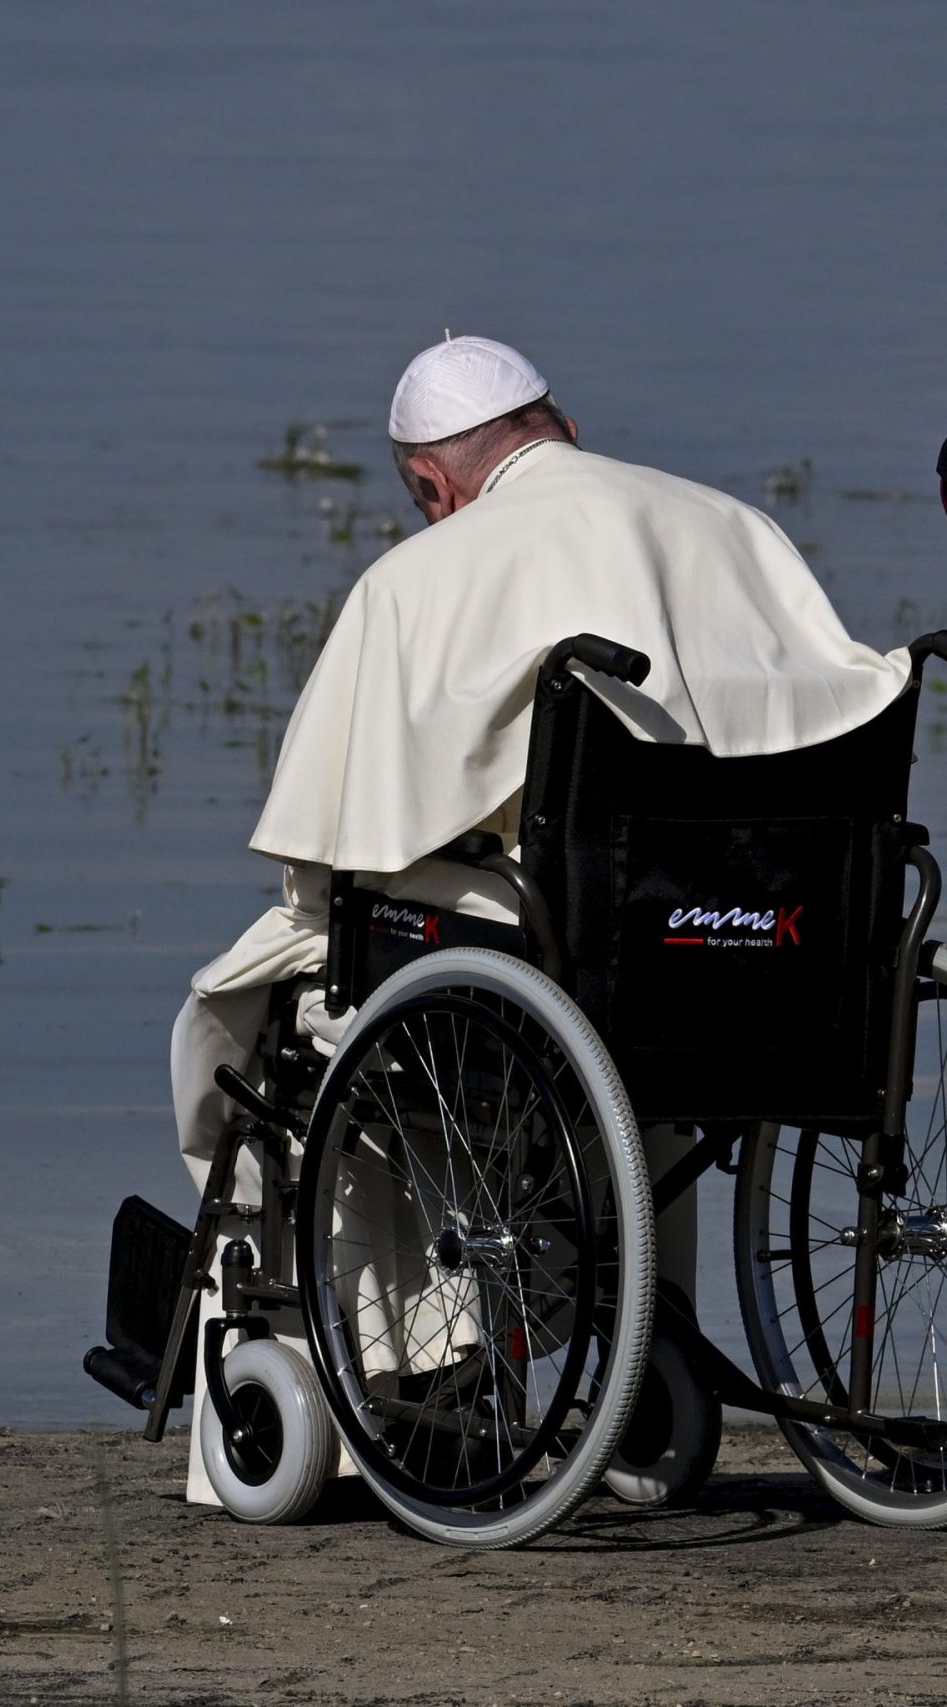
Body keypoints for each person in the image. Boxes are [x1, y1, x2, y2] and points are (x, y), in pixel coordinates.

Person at [170, 334, 912, 1499]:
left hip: (570, 974)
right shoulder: (730, 530)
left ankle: (416, 1358)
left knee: (272, 1006)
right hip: (765, 964)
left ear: (431, 483)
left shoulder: (428, 578)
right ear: (555, 425)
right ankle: (605, 1315)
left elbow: (331, 860)